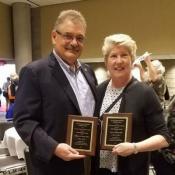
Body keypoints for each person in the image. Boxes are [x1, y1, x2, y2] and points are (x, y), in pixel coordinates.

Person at [13, 9, 97, 175]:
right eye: (68, 36)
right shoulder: (35, 72)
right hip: (54, 166)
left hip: (89, 164)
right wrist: (54, 148)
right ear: (54, 36)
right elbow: (24, 120)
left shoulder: (88, 72)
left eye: (79, 38)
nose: (74, 42)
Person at [92, 34, 170, 175]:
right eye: (113, 56)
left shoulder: (145, 93)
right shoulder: (99, 91)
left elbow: (163, 138)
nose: (119, 61)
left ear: (132, 60)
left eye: (124, 55)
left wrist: (135, 147)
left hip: (132, 170)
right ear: (106, 61)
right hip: (100, 170)